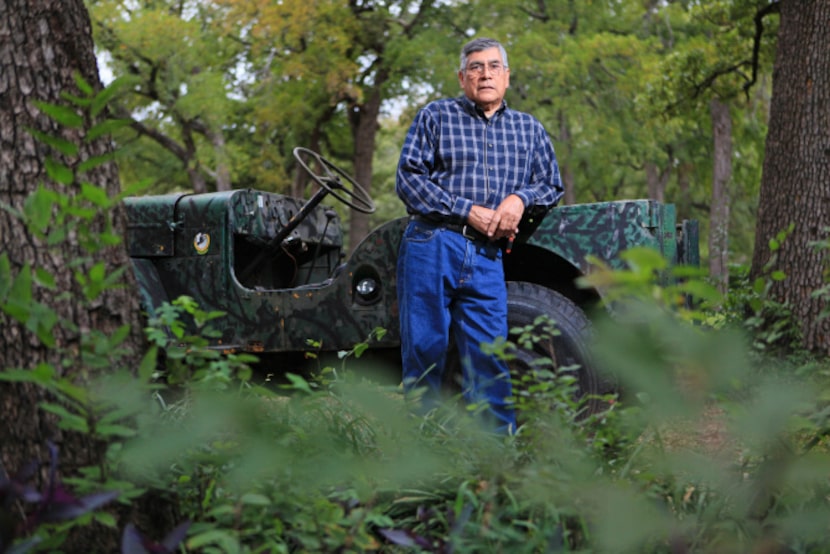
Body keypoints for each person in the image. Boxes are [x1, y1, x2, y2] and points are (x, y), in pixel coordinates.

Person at [395, 37, 564, 433]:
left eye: (493, 66)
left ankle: (494, 462)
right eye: (475, 67)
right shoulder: (435, 116)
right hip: (433, 242)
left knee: (488, 356)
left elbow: (551, 185)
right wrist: (465, 209)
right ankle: (423, 455)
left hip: (488, 256)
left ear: (506, 77)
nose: (484, 73)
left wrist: (519, 199)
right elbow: (408, 179)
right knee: (424, 350)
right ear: (462, 77)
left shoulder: (529, 129)